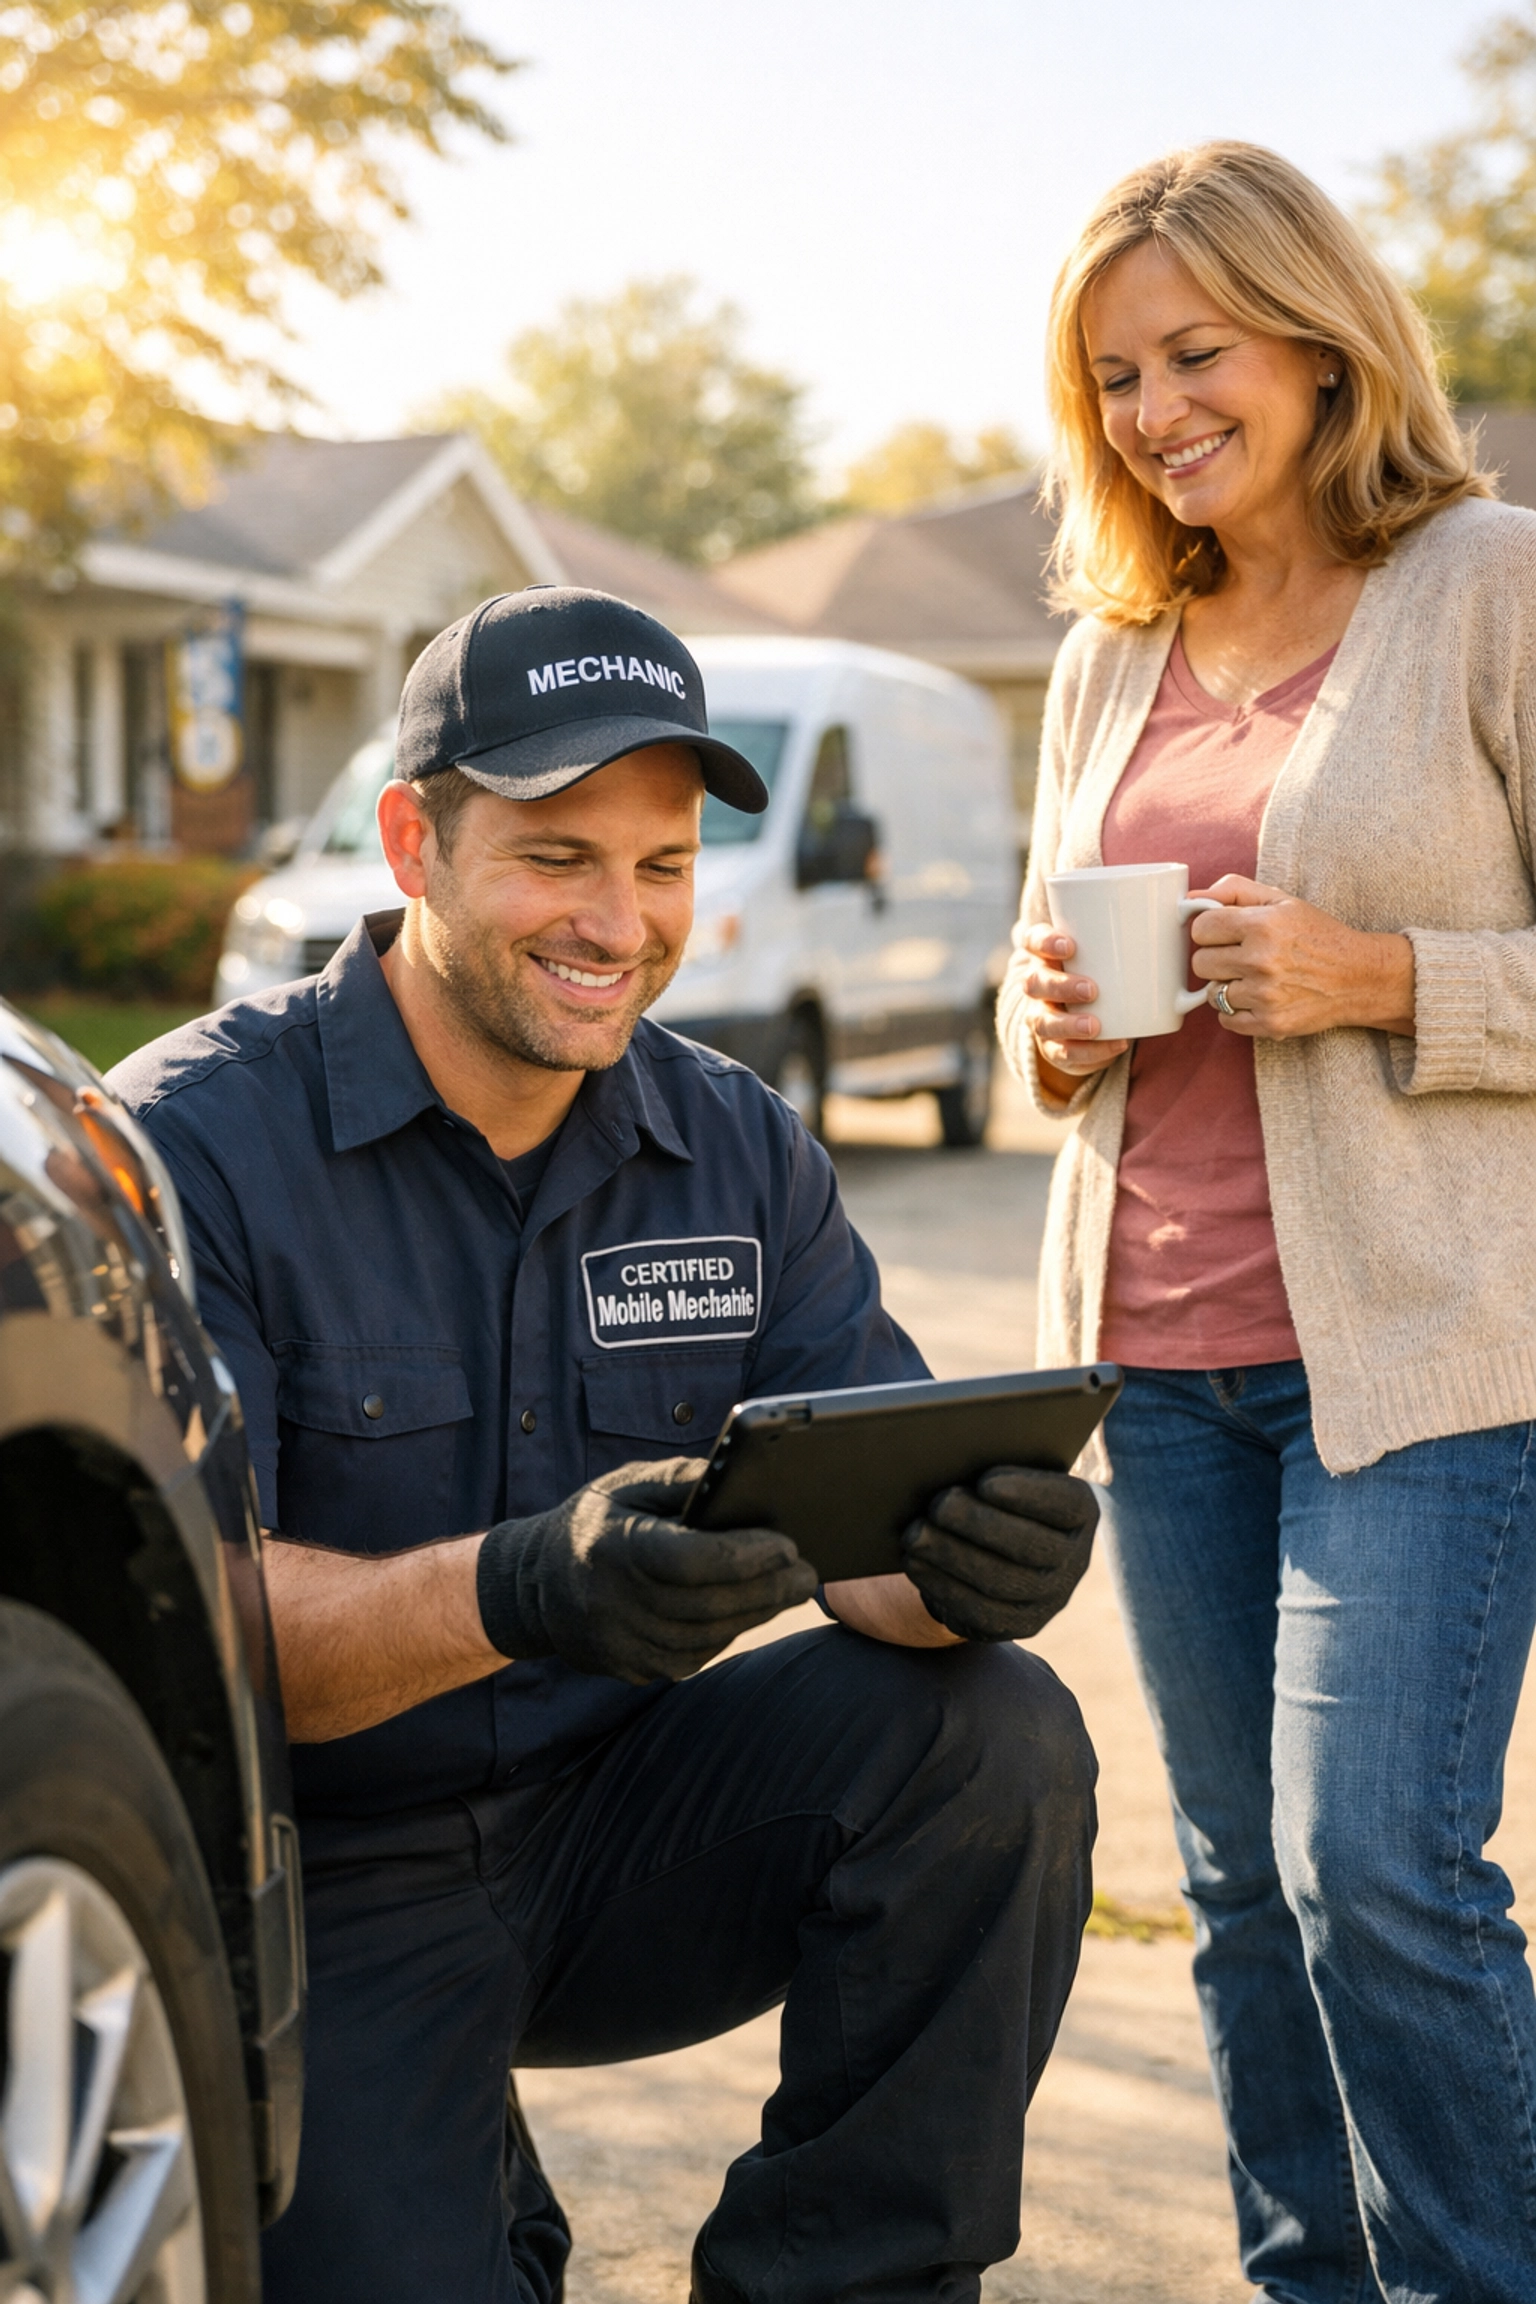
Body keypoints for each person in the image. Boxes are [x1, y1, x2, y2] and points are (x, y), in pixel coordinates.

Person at [114, 585, 1101, 2304]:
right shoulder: (194, 1148)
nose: (621, 924)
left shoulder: (740, 1150)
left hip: (625, 1829)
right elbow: (199, 1651)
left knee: (994, 1734)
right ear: (413, 842)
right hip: (317, 1877)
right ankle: (458, 2182)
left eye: (661, 866)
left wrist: (965, 1571)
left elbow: (878, 1566)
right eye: (558, 857)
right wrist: (523, 1588)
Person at [998, 141, 1536, 2304]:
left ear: (1317, 342)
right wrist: (1044, 1026)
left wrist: (1387, 977)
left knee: (1376, 1874)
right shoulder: (1108, 654)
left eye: (1192, 354)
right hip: (1161, 1356)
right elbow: (1059, 1001)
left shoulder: (1488, 580)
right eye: (1115, 376)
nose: (1153, 414)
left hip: (1407, 1354)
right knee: (1231, 1884)